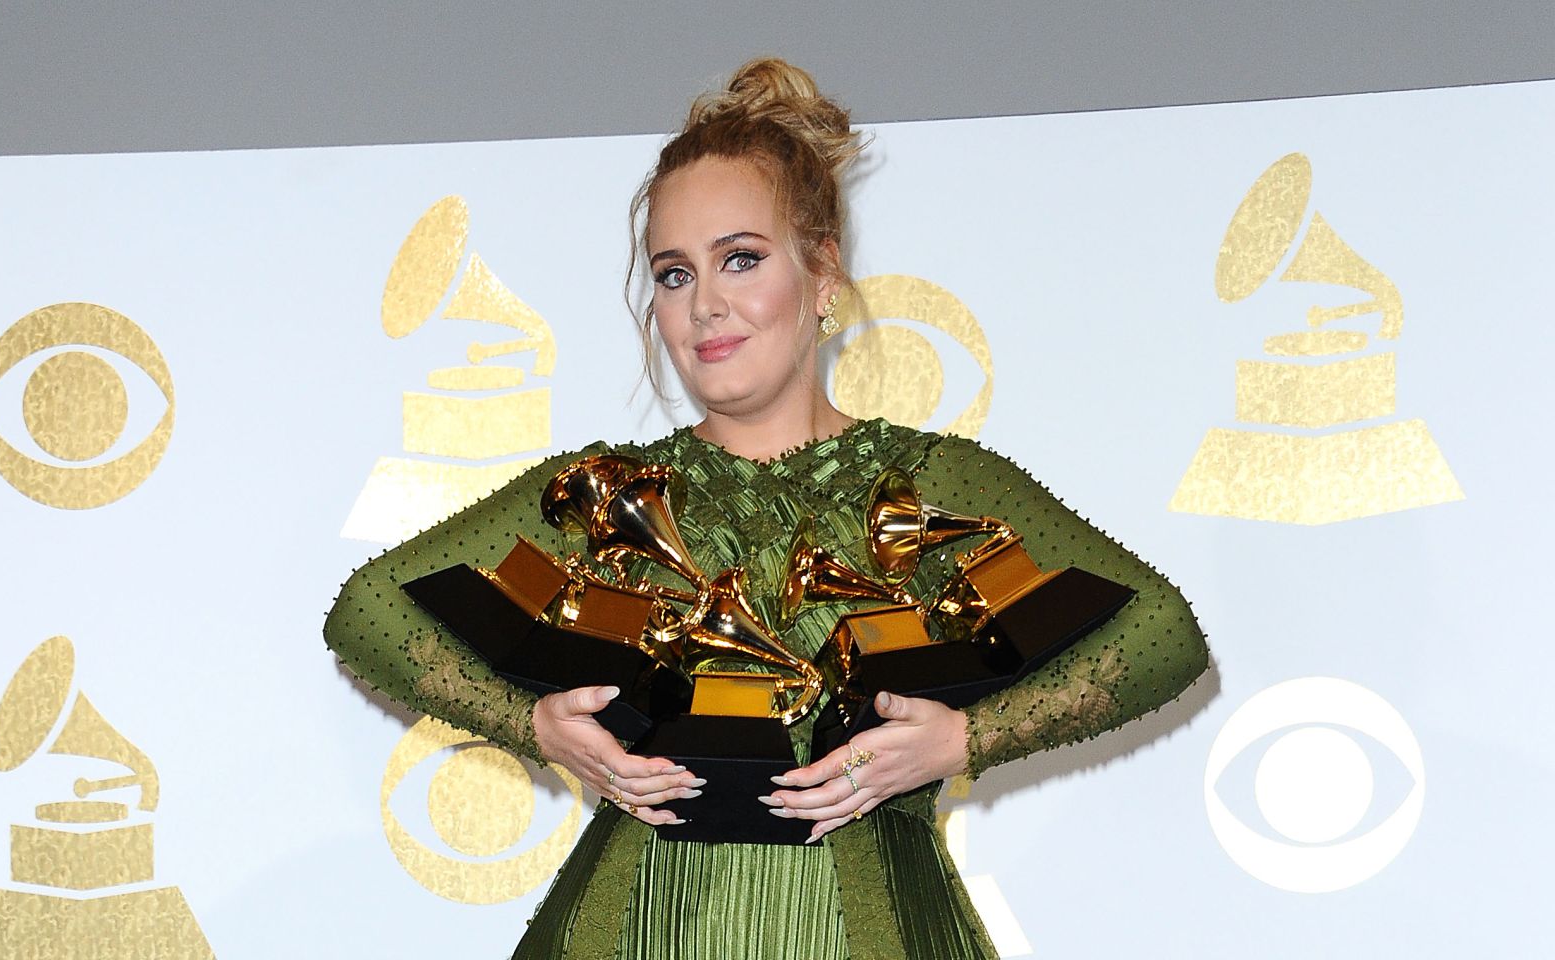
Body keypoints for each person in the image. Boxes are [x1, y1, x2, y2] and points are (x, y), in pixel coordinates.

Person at [325, 57, 1209, 959]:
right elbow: (369, 609)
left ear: (822, 275)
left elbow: (1163, 633)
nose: (704, 304)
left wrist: (962, 741)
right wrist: (537, 725)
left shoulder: (930, 478)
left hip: (874, 925)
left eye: (739, 259)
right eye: (673, 274)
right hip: (634, 926)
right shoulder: (604, 490)